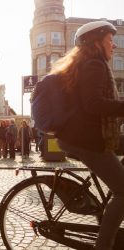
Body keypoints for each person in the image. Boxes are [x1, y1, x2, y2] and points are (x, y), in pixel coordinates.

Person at [51, 21, 124, 250]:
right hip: (86, 140)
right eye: (109, 39)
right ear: (97, 41)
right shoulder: (94, 64)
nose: (113, 44)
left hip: (86, 135)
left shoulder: (88, 64)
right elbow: (93, 104)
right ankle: (104, 246)